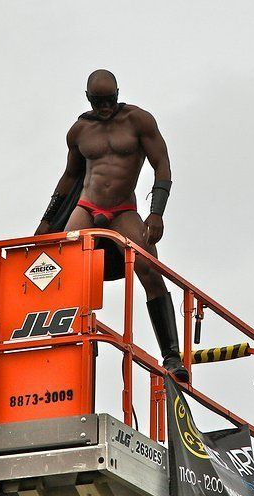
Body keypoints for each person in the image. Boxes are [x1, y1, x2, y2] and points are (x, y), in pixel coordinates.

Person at [34, 69, 189, 382]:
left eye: (111, 100)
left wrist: (156, 212)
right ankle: (70, 343)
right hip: (87, 206)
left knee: (149, 268)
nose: (106, 107)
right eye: (99, 101)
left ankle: (171, 356)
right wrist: (47, 221)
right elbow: (69, 176)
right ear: (89, 99)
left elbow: (163, 165)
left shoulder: (137, 121)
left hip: (122, 210)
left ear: (118, 94)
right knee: (62, 265)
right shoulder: (79, 130)